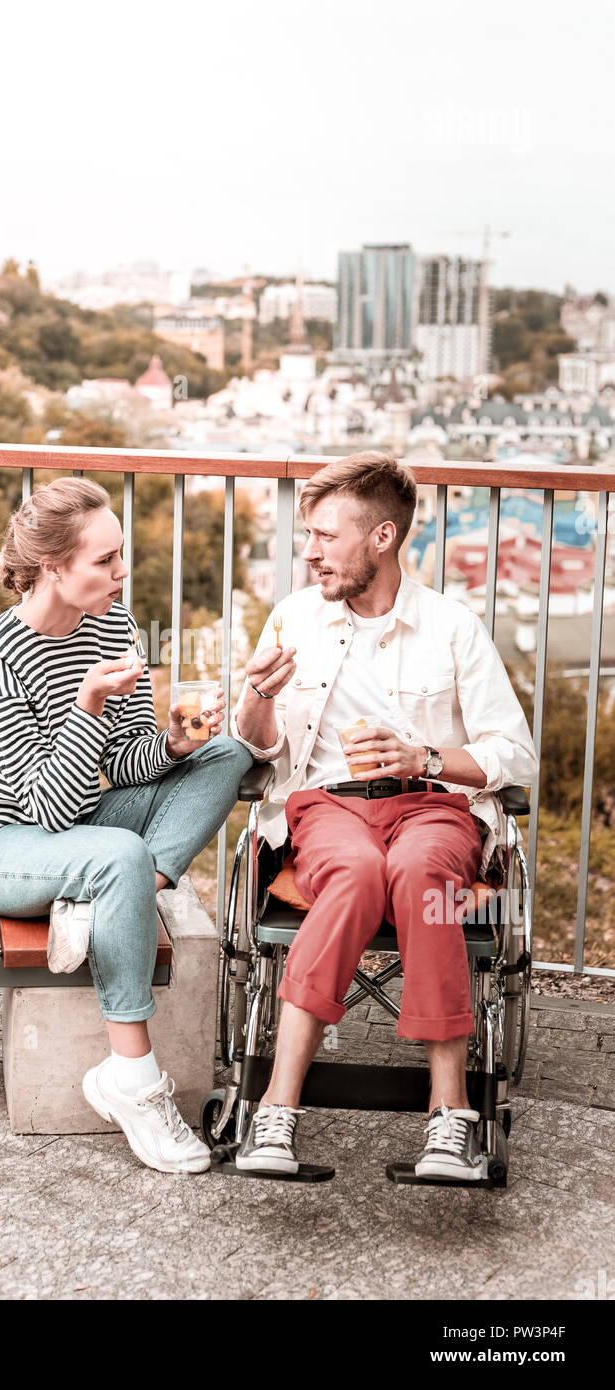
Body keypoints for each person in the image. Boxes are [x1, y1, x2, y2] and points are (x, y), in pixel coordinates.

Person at [0, 477, 252, 1175]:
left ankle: (117, 890)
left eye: (120, 555)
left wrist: (171, 745)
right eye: (104, 561)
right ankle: (132, 1080)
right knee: (115, 856)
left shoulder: (114, 624)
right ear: (53, 568)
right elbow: (43, 809)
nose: (120, 572)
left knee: (228, 755)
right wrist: (86, 705)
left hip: (80, 824)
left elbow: (129, 766)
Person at [230, 451, 538, 1180]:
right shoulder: (293, 619)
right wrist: (258, 697)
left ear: (383, 538)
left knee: (421, 871)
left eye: (326, 536)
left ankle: (450, 1116)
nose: (309, 552)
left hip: (433, 808)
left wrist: (421, 756)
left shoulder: (452, 627)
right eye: (307, 535)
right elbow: (257, 744)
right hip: (328, 806)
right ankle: (276, 1109)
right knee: (360, 871)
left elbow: (513, 754)